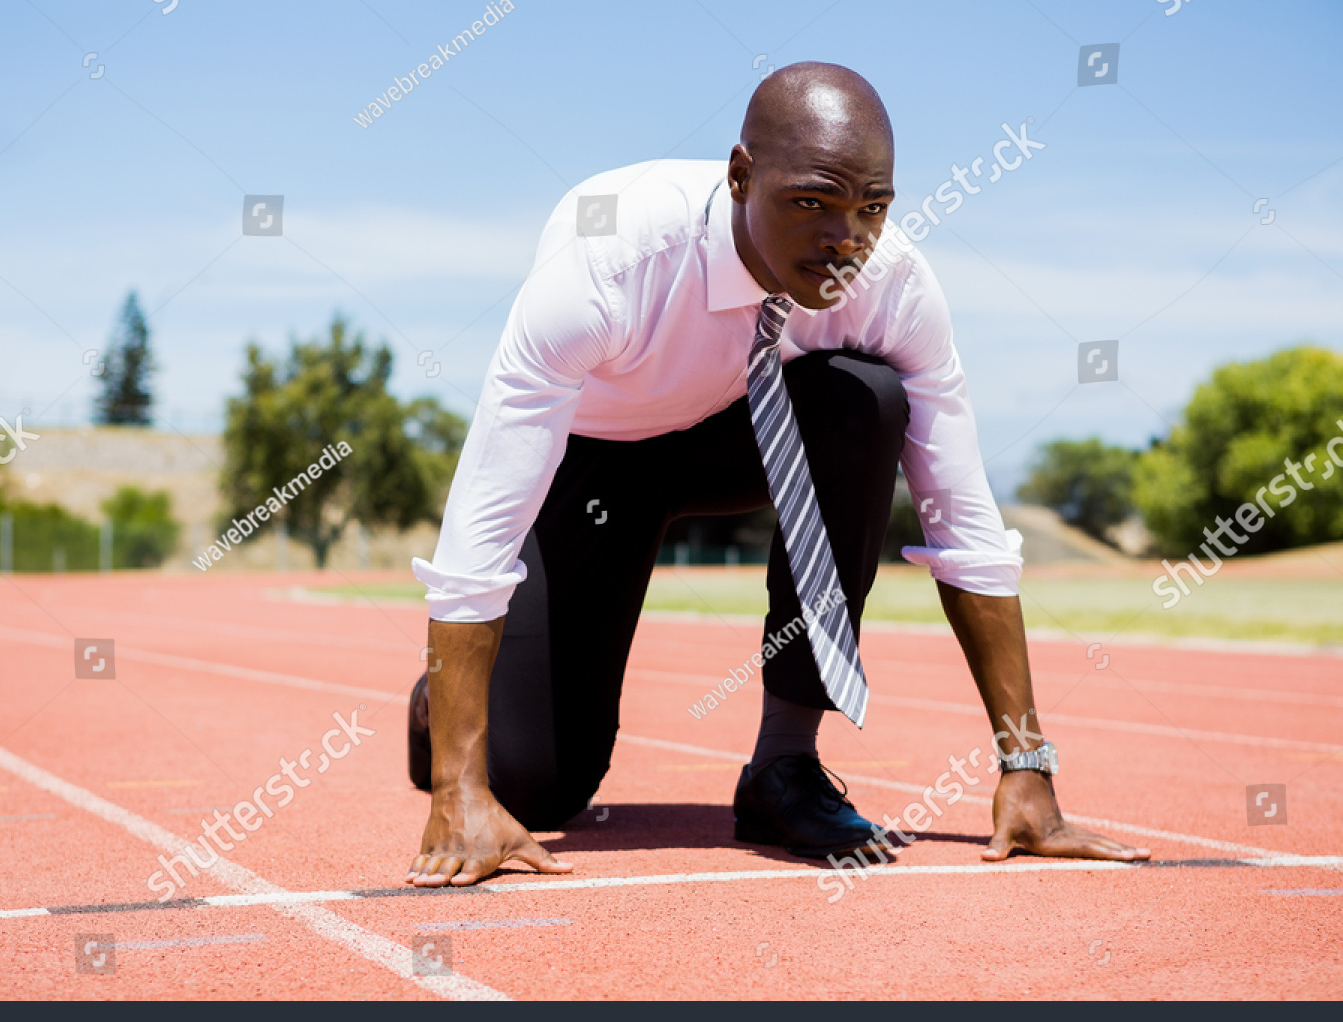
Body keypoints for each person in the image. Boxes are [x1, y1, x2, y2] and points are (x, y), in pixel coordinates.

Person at [403, 61, 1151, 888]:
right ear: (740, 177)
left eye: (872, 208)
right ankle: (444, 707)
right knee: (542, 789)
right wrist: (458, 787)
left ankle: (784, 767)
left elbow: (963, 519)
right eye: (812, 203)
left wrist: (1027, 764)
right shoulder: (607, 262)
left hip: (743, 437)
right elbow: (484, 517)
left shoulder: (892, 284)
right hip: (594, 463)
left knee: (866, 402)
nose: (845, 238)